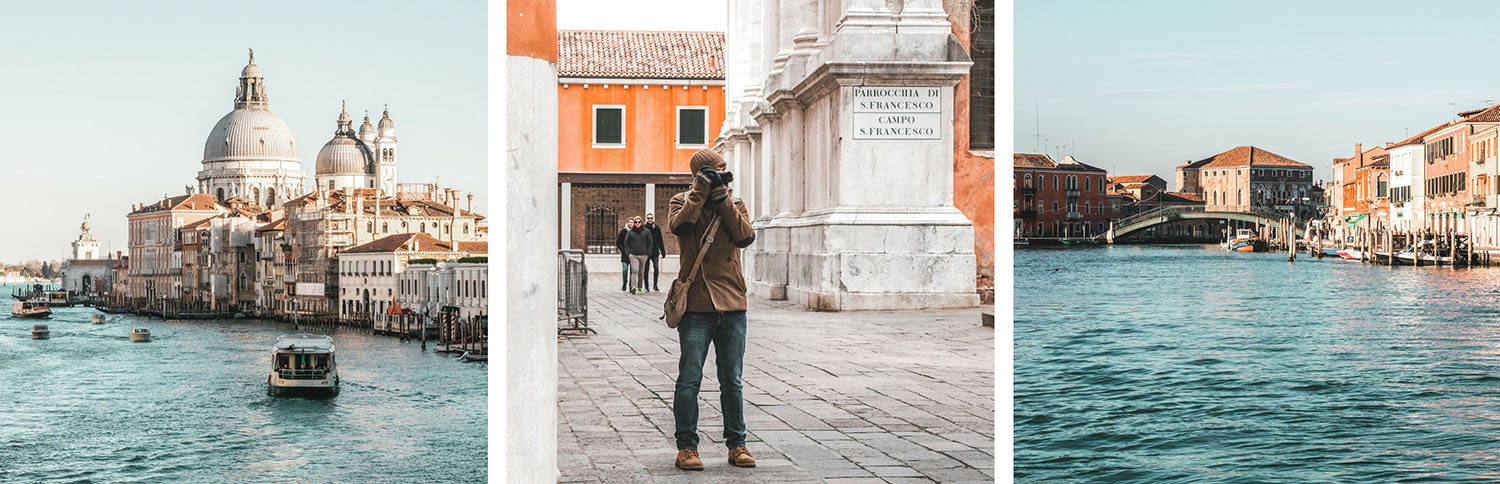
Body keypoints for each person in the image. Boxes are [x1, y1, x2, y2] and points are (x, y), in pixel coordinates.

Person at [668, 149, 756, 471]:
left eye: (722, 170)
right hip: (696, 306)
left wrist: (723, 202)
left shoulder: (734, 203)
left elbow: (745, 236)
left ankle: (738, 444)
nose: (721, 175)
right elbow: (680, 226)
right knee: (689, 379)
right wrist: (699, 193)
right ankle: (687, 447)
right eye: (713, 171)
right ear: (697, 174)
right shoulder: (681, 201)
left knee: (732, 380)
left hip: (732, 304)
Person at [624, 216, 654, 294]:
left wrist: (648, 254)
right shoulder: (630, 232)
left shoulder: (646, 231)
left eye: (639, 222)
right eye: (636, 222)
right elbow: (626, 243)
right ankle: (633, 286)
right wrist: (628, 253)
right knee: (635, 270)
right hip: (633, 255)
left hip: (644, 255)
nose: (637, 224)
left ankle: (640, 287)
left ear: (641, 223)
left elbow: (650, 243)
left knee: (641, 272)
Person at [643, 213, 666, 291]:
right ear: (646, 219)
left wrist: (663, 251)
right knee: (646, 269)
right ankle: (646, 286)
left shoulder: (656, 228)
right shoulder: (643, 228)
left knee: (656, 268)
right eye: (648, 218)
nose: (650, 219)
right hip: (646, 252)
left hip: (655, 251)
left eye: (651, 218)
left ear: (653, 219)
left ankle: (655, 285)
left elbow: (660, 240)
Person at [615, 219, 632, 291]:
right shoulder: (623, 231)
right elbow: (618, 242)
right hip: (625, 254)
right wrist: (623, 250)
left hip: (633, 254)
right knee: (625, 270)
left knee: (632, 271)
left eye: (632, 222)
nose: (630, 223)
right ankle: (624, 283)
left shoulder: (636, 231)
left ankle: (631, 285)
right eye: (629, 222)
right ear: (627, 223)